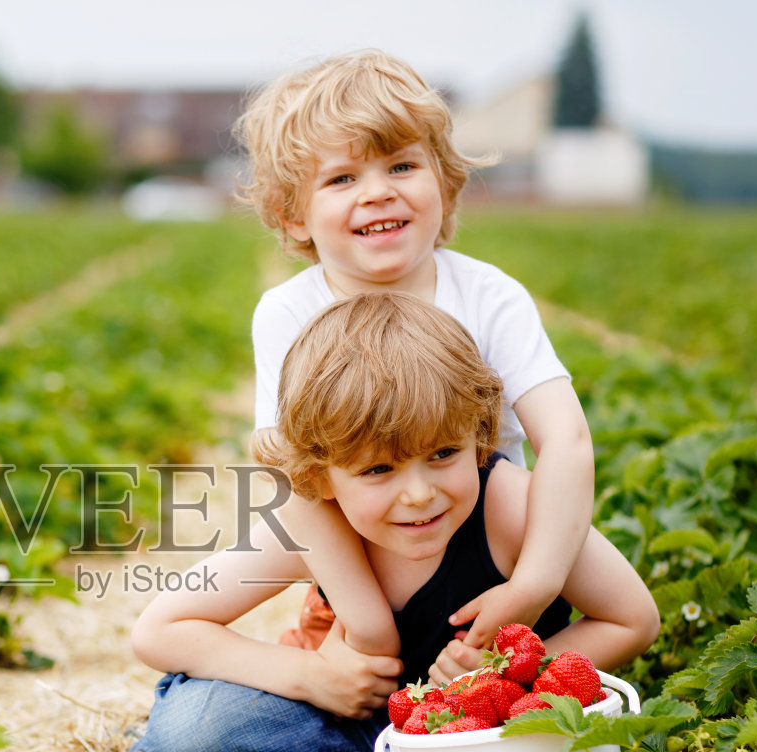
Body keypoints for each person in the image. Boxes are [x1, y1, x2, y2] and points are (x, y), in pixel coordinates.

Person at [119, 292, 659, 752]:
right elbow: (160, 628)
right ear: (322, 477)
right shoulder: (314, 524)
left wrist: (504, 679)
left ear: (478, 435)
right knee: (189, 726)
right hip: (352, 714)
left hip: (476, 730)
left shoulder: (512, 507)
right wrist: (314, 677)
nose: (419, 494)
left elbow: (632, 620)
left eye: (443, 454)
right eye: (378, 469)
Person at [234, 50, 596, 702]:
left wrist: (532, 587)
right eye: (342, 178)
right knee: (211, 728)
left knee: (490, 706)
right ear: (292, 214)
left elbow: (565, 441)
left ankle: (432, 728)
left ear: (446, 184)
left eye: (401, 166)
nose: (378, 191)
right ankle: (371, 725)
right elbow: (297, 480)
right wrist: (368, 627)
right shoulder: (288, 312)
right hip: (359, 585)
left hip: (488, 574)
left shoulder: (489, 297)